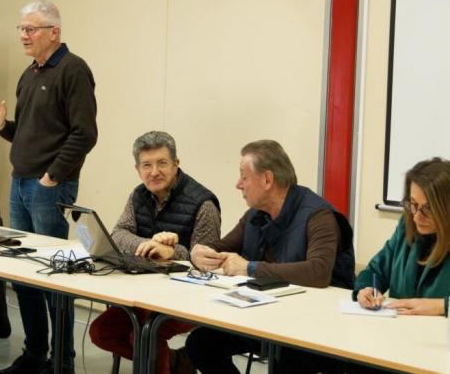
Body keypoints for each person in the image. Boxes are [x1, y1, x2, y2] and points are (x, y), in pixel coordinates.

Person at [0, 0, 97, 374]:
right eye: (21, 29)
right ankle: (33, 355)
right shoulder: (29, 74)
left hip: (48, 188)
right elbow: (28, 136)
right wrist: (1, 126)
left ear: (54, 33)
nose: (23, 35)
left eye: (31, 29)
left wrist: (53, 177)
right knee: (24, 271)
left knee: (50, 275)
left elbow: (85, 133)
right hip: (20, 183)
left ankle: (61, 362)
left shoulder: (73, 70)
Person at [185, 139, 355, 374]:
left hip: (316, 327)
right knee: (200, 344)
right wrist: (197, 252)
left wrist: (250, 268)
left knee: (287, 360)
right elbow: (221, 247)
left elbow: (318, 272)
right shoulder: (256, 214)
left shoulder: (319, 217)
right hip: (268, 317)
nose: (238, 185)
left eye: (243, 177)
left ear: (267, 179)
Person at [88, 131, 221, 374]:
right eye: (146, 165)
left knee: (146, 335)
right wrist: (151, 244)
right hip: (146, 291)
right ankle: (176, 362)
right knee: (100, 332)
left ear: (176, 164)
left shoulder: (204, 204)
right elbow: (118, 234)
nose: (154, 172)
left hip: (188, 298)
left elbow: (209, 263)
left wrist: (172, 252)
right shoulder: (138, 194)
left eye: (162, 163)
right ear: (138, 169)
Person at [345, 157, 450, 373]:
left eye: (428, 208)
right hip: (398, 344)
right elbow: (375, 269)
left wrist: (443, 306)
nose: (417, 215)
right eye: (412, 204)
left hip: (439, 354)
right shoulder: (407, 226)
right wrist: (366, 289)